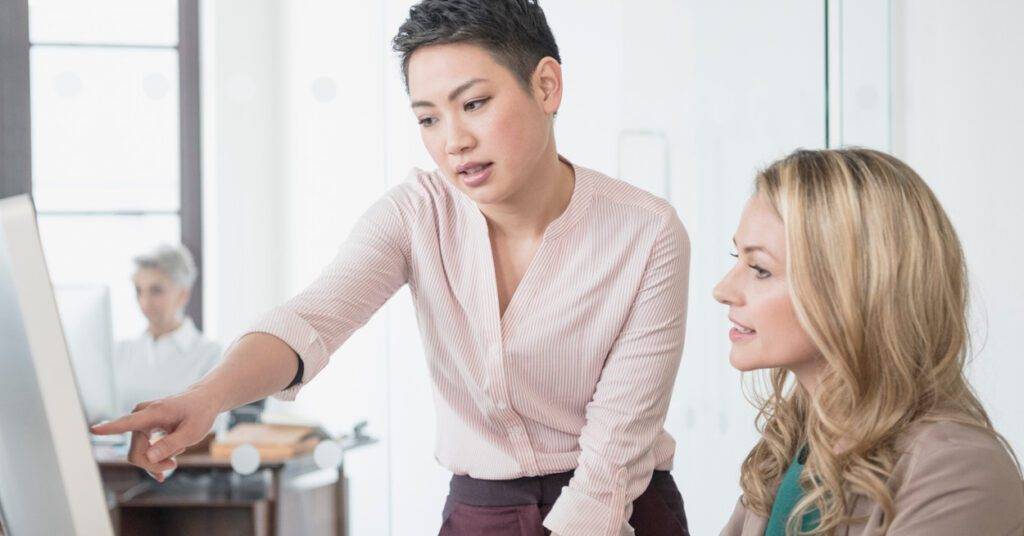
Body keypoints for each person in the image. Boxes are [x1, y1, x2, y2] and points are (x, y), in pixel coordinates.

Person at [92, 2, 691, 534]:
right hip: (479, 513)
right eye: (428, 118)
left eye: (475, 104)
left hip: (620, 510)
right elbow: (311, 319)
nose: (452, 141)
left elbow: (611, 460)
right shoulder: (416, 214)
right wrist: (208, 397)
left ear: (547, 86)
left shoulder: (645, 232)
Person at [715, 148, 1024, 535]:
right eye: (736, 258)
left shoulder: (958, 472)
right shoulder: (791, 448)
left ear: (853, 288)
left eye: (760, 268)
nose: (723, 289)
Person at [112, 243, 220, 416]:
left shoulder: (210, 356)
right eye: (139, 291)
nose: (144, 303)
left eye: (156, 291)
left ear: (183, 294)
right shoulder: (120, 352)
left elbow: (213, 426)